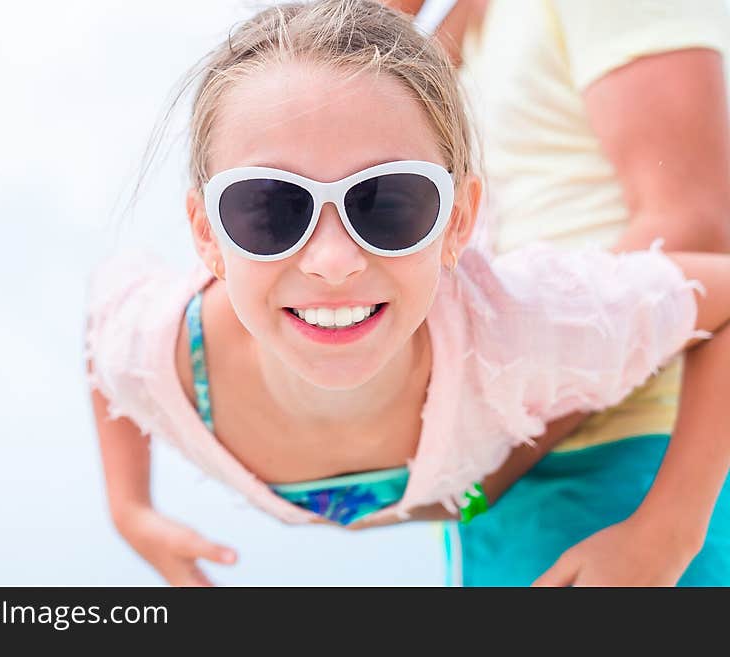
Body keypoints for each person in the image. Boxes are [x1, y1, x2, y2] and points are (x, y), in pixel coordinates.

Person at [86, 0, 730, 586]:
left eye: (389, 202)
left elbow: (699, 229)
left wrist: (665, 528)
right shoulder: (160, 345)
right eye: (269, 208)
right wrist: (129, 505)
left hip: (616, 430)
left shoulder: (520, 334)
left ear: (457, 220)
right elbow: (106, 334)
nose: (332, 261)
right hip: (487, 487)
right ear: (206, 234)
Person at [385, 0, 730, 585]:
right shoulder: (473, 22)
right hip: (520, 468)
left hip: (629, 462)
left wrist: (666, 531)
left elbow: (699, 228)